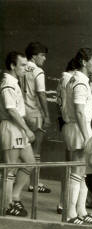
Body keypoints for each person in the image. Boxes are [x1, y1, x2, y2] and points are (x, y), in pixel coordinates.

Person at [62, 48, 92, 224]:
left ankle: (81, 210)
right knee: (77, 172)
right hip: (78, 129)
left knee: (83, 172)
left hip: (78, 128)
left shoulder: (76, 79)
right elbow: (79, 111)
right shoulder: (80, 82)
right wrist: (87, 136)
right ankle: (70, 213)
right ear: (84, 62)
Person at [0, 51, 35, 216]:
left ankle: (14, 196)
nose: (25, 68)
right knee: (10, 169)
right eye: (22, 65)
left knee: (30, 162)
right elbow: (11, 110)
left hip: (18, 127)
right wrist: (27, 129)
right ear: (12, 66)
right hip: (10, 127)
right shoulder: (7, 83)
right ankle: (6, 205)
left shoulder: (14, 82)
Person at [21, 42, 51, 193]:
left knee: (20, 149)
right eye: (42, 55)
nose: (44, 59)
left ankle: (15, 183)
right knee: (36, 150)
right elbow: (41, 93)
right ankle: (34, 183)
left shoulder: (19, 67)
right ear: (34, 56)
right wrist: (47, 115)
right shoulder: (38, 71)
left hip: (21, 114)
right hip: (35, 114)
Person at [55, 58, 77, 214]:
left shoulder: (63, 79)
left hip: (64, 122)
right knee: (72, 166)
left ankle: (64, 202)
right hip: (68, 122)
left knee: (71, 165)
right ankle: (65, 203)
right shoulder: (69, 79)